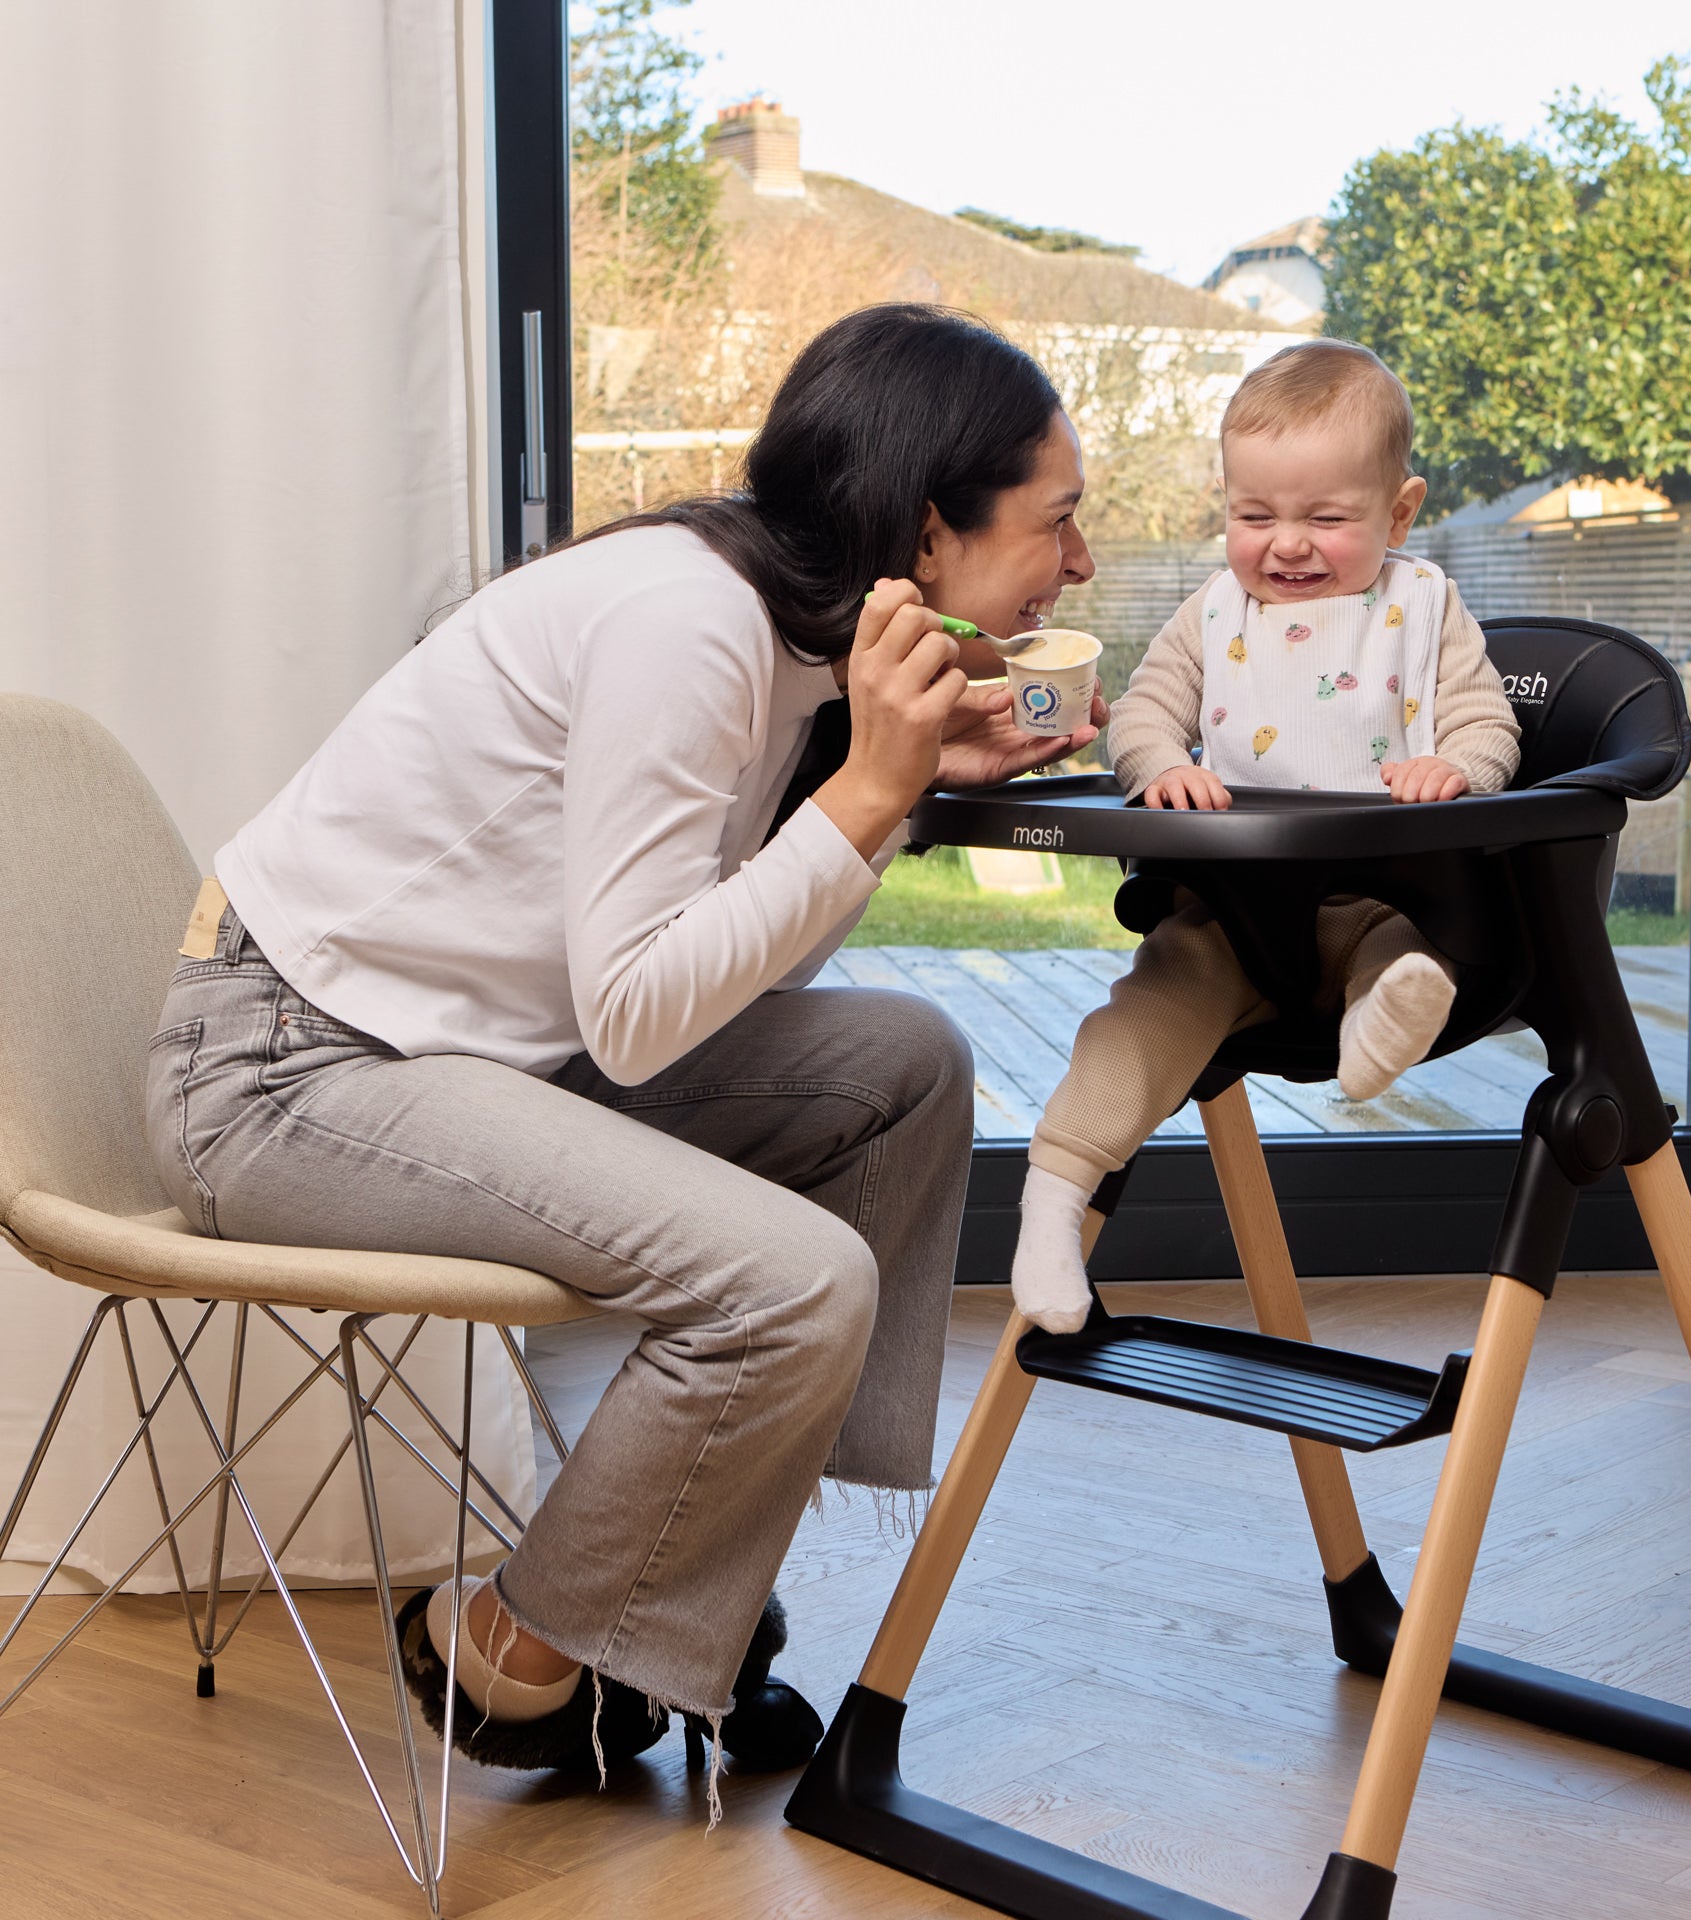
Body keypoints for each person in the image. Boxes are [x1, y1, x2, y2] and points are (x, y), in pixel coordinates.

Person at [143, 304, 1102, 1797]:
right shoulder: (689, 622)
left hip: (468, 1054)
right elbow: (643, 1014)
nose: (1083, 565)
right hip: (284, 1070)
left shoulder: (792, 640)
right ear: (930, 530)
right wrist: (864, 797)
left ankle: (683, 1605)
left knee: (907, 1063)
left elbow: (725, 981)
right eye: (1061, 521)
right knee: (795, 1278)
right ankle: (519, 1651)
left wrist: (889, 784)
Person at [1010, 339, 1519, 1336]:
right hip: (1229, 914)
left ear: (1400, 511)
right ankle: (1052, 1199)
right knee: (1145, 1012)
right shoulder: (1214, 613)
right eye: (1255, 517)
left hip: (1384, 894)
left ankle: (1381, 1025)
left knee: (1398, 955)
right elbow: (1145, 711)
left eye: (1326, 518)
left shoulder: (1422, 608)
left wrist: (1455, 769)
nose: (1286, 544)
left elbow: (1488, 723)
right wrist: (1161, 767)